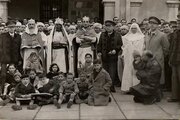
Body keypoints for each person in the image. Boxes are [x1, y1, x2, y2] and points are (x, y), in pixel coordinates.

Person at [97, 20, 122, 92]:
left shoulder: (117, 35)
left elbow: (120, 45)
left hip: (113, 57)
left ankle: (111, 86)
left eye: (109, 26)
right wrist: (99, 51)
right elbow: (99, 44)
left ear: (113, 27)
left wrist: (116, 50)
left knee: (112, 72)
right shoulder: (102, 34)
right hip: (104, 56)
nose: (108, 28)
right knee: (105, 72)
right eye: (106, 26)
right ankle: (105, 86)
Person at [145, 16, 169, 86]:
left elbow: (166, 49)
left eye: (154, 23)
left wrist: (159, 56)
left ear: (158, 25)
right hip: (148, 60)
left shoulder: (162, 35)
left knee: (157, 79)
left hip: (157, 60)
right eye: (150, 23)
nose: (152, 25)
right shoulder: (147, 34)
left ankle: (157, 95)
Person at [121, 23, 145, 93]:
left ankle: (136, 88)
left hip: (137, 56)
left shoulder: (141, 37)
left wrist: (138, 55)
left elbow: (142, 47)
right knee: (128, 70)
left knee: (136, 71)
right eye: (132, 28)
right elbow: (124, 46)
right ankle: (128, 88)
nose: (133, 29)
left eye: (135, 28)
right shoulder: (126, 37)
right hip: (128, 56)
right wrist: (124, 54)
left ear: (137, 29)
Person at [0, 20, 22, 95]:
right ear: (7, 28)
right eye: (9, 27)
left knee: (17, 75)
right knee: (3, 75)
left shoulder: (18, 37)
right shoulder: (2, 36)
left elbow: (19, 49)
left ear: (15, 28)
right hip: (5, 60)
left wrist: (19, 59)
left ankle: (16, 92)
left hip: (15, 60)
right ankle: (3, 93)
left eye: (13, 27)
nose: (11, 29)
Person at [168, 12, 180, 102]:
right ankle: (175, 97)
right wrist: (170, 58)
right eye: (178, 21)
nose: (178, 23)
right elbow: (172, 47)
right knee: (174, 78)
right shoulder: (175, 33)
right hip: (175, 59)